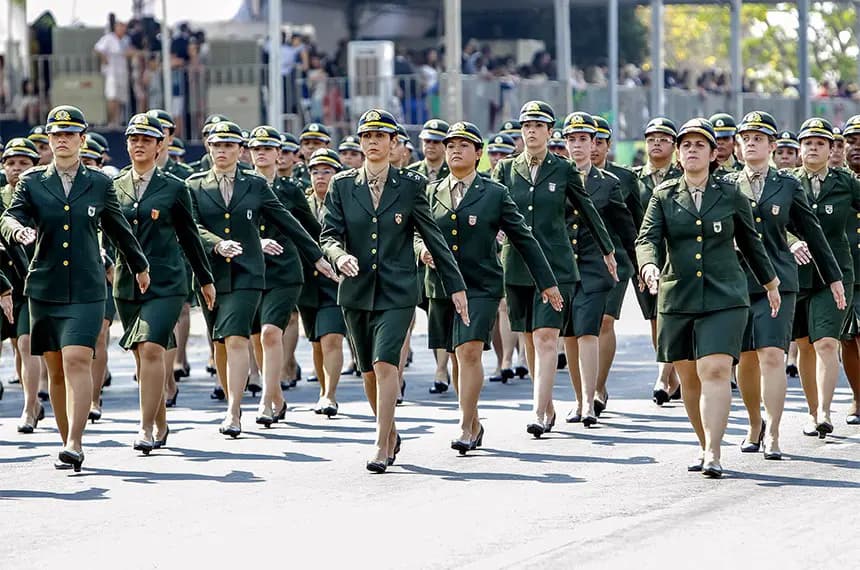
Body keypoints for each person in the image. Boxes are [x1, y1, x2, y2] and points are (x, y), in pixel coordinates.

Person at [0, 105, 150, 472]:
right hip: (45, 286)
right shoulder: (33, 181)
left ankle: (75, 441)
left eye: (69, 134)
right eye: (56, 135)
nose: (62, 140)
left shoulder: (99, 183)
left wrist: (139, 265)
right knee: (54, 369)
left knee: (76, 358)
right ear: (49, 142)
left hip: (86, 285)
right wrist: (16, 231)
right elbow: (9, 215)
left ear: (82, 140)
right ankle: (67, 437)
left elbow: (117, 227)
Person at [320, 108, 468, 473]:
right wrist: (339, 257)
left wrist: (456, 287)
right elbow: (329, 235)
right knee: (369, 372)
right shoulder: (341, 186)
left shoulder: (410, 186)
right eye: (366, 136)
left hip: (398, 291)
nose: (372, 142)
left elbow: (432, 236)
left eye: (380, 137)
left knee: (386, 363)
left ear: (394, 144)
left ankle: (379, 443)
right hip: (356, 291)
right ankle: (390, 431)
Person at [637, 117, 779, 478]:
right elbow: (647, 239)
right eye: (686, 145)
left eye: (700, 144)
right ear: (678, 154)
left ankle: (714, 451)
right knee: (689, 377)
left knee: (713, 368)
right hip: (677, 296)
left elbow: (751, 242)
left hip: (724, 295)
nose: (692, 150)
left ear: (714, 152)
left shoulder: (730, 193)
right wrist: (649, 266)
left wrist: (771, 283)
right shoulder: (663, 195)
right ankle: (703, 443)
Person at [187, 120, 335, 438]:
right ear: (209, 149)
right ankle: (266, 397)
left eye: (229, 145)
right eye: (216, 145)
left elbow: (292, 222)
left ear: (239, 151)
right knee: (222, 344)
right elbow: (190, 227)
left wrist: (319, 257)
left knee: (248, 337)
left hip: (256, 274)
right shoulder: (195, 185)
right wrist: (216, 243)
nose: (222, 151)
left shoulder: (256, 185)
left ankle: (238, 410)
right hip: (213, 274)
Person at [420, 121, 561, 453]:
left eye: (463, 145)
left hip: (480, 285)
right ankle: (474, 420)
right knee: (456, 355)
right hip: (440, 285)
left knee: (469, 350)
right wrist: (420, 249)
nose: (454, 149)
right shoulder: (431, 191)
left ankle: (464, 426)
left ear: (478, 153)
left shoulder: (494, 193)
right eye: (450, 144)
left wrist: (547, 283)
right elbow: (415, 231)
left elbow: (523, 239)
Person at [492, 101, 615, 438]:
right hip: (517, 266)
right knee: (530, 340)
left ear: (549, 132)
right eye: (526, 126)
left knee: (547, 337)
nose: (531, 131)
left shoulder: (562, 170)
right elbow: (490, 209)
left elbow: (587, 209)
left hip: (556, 266)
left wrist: (607, 250)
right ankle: (545, 405)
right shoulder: (505, 170)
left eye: (538, 126)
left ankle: (537, 411)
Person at [728, 111, 843, 460]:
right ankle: (753, 424)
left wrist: (834, 277)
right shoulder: (726, 184)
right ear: (737, 146)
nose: (751, 143)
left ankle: (775, 433)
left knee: (772, 355)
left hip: (780, 280)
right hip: (735, 281)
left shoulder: (788, 185)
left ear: (773, 146)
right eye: (745, 138)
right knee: (744, 359)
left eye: (759, 138)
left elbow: (813, 234)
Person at [112, 113, 215, 453]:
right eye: (132, 139)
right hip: (127, 284)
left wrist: (205, 280)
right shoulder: (114, 186)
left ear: (160, 146)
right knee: (141, 357)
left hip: (167, 283)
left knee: (152, 347)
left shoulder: (174, 187)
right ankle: (159, 421)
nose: (138, 145)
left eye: (146, 140)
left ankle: (143, 428)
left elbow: (190, 237)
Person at [561, 112, 638, 426]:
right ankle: (580, 398)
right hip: (564, 266)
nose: (579, 146)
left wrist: (642, 264)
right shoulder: (555, 177)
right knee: (569, 333)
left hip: (600, 265)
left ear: (595, 143)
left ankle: (592, 398)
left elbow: (627, 226)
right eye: (572, 139)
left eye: (585, 140)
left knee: (591, 329)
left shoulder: (611, 183)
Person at [245, 125, 321, 426]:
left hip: (284, 271)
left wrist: (328, 256)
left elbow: (309, 229)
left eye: (267, 148)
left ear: (280, 154)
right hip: (249, 270)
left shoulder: (290, 191)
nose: (261, 153)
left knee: (269, 333)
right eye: (256, 148)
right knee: (255, 337)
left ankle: (266, 400)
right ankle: (275, 394)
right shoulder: (241, 187)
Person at [789, 117, 860, 440]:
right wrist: (791, 241)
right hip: (798, 275)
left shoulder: (845, 183)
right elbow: (770, 220)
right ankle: (811, 407)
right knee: (804, 345)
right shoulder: (786, 183)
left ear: (833, 149)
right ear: (799, 149)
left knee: (827, 342)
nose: (813, 148)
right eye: (808, 143)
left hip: (836, 274)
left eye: (820, 143)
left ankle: (825, 412)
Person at [589, 115, 644, 416]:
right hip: (579, 260)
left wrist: (642, 266)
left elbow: (634, 226)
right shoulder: (568, 174)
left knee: (605, 321)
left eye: (600, 142)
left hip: (616, 262)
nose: (594, 147)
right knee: (582, 328)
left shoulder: (624, 179)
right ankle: (584, 390)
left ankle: (598, 387)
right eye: (588, 140)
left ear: (609, 146)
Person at [633, 118, 684, 405]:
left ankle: (663, 377)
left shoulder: (683, 174)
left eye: (663, 138)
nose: (656, 143)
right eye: (651, 138)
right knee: (655, 318)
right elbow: (629, 221)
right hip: (647, 258)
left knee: (670, 314)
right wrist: (640, 262)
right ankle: (670, 373)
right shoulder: (633, 178)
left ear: (674, 146)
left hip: (677, 255)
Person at [298, 148, 349, 417]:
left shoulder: (346, 203)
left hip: (336, 282)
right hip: (307, 284)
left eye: (326, 171)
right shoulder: (302, 204)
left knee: (332, 339)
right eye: (315, 172)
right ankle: (322, 389)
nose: (320, 177)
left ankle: (330, 394)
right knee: (316, 342)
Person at [0, 138, 42, 433]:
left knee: (25, 344)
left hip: (32, 283)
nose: (16, 169)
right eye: (11, 163)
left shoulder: (40, 197)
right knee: (13, 347)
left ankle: (30, 406)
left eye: (23, 163)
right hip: (3, 282)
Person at [408, 119, 453, 394]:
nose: (431, 146)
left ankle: (441, 368)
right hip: (418, 255)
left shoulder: (456, 171)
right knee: (427, 311)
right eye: (427, 141)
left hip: (447, 254)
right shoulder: (412, 174)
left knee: (442, 311)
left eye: (436, 141)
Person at [840, 114, 860, 425]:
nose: (855, 147)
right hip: (843, 272)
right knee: (846, 338)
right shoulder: (837, 182)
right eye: (850, 142)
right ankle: (857, 396)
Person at [94, 21, 131, 128]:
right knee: (112, 97)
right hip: (111, 72)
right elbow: (97, 49)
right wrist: (104, 58)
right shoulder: (108, 38)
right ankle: (111, 122)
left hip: (122, 72)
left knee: (120, 98)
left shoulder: (126, 40)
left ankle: (117, 121)